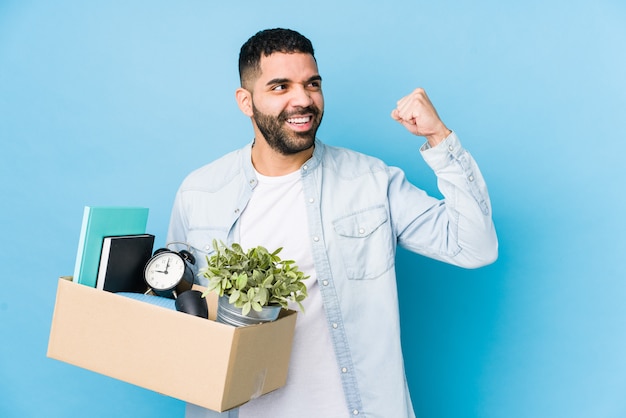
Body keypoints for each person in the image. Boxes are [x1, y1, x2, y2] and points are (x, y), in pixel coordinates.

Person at [167, 28, 498, 418]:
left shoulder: (371, 181)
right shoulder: (200, 192)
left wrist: (438, 138)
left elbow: (474, 247)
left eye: (312, 84)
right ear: (246, 101)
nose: (303, 100)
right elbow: (175, 311)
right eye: (280, 87)